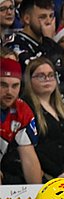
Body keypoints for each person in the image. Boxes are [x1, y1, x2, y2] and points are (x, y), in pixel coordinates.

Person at [0, 55, 42, 184]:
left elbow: (29, 158)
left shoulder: (21, 110)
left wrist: (37, 196)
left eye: (15, 86)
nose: (9, 92)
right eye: (3, 85)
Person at [3, 0, 61, 68]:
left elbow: (61, 69)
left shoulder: (52, 44)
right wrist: (48, 40)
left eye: (51, 16)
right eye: (42, 17)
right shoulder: (15, 45)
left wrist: (50, 41)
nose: (48, 22)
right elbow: (37, 71)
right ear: (27, 19)